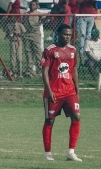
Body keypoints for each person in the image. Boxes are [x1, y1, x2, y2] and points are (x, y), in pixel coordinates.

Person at [41, 24, 82, 162]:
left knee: (76, 117)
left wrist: (77, 90)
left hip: (69, 91)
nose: (67, 37)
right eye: (65, 34)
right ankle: (47, 154)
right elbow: (45, 72)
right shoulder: (49, 50)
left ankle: (71, 152)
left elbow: (74, 70)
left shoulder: (73, 50)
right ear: (58, 34)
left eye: (69, 35)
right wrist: (49, 90)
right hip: (54, 92)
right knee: (49, 120)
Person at [21, 0, 45, 77]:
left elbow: (45, 19)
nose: (32, 6)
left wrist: (44, 18)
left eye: (34, 5)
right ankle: (30, 69)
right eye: (31, 5)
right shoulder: (26, 14)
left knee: (37, 51)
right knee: (28, 52)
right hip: (27, 35)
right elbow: (22, 23)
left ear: (37, 6)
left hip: (35, 34)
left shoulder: (39, 13)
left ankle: (40, 69)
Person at [78, 0, 97, 65]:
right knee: (82, 35)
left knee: (88, 35)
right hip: (83, 16)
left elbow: (94, 4)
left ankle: (87, 49)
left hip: (91, 16)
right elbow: (78, 2)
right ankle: (81, 51)